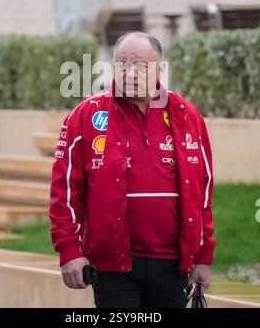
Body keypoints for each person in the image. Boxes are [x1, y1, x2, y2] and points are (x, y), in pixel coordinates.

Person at [49, 31, 215, 308]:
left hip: (173, 265)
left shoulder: (187, 115)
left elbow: (204, 192)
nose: (131, 73)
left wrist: (202, 255)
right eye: (123, 64)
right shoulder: (86, 116)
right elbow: (64, 191)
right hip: (114, 267)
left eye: (141, 65)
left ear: (160, 69)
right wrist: (69, 250)